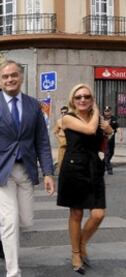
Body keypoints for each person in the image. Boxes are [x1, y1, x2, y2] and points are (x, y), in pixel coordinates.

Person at [0, 60, 55, 277]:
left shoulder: (33, 105)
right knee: (10, 220)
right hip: (0, 171)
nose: (10, 79)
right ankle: (13, 271)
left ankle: (3, 231)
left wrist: (48, 172)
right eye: (5, 77)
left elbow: (42, 141)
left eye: (13, 75)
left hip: (25, 170)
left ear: (21, 77)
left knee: (25, 220)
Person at [57, 84, 112, 274]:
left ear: (91, 98)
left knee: (98, 214)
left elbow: (104, 135)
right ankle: (75, 253)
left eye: (87, 96)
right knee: (77, 214)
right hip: (74, 169)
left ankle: (81, 243)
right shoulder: (67, 118)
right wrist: (97, 112)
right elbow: (89, 130)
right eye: (78, 97)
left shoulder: (96, 120)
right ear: (72, 100)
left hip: (94, 169)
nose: (83, 100)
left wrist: (108, 129)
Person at [102, 105, 119, 175]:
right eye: (106, 111)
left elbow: (117, 127)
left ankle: (104, 164)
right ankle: (109, 168)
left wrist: (121, 136)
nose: (107, 113)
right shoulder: (101, 118)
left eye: (108, 111)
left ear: (110, 112)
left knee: (111, 153)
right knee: (107, 153)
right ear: (104, 112)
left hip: (112, 138)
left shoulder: (114, 118)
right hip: (104, 139)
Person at [53, 106, 69, 174]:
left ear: (67, 113)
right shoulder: (59, 121)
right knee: (61, 159)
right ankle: (61, 173)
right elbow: (55, 132)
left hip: (70, 142)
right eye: (62, 112)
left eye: (65, 112)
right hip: (62, 141)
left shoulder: (72, 121)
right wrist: (59, 139)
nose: (63, 114)